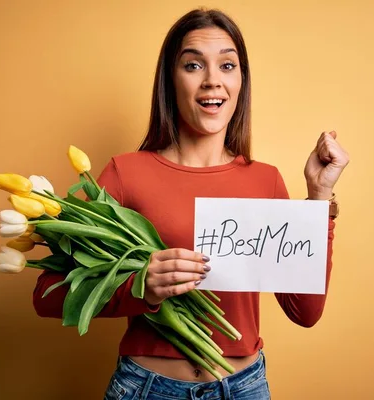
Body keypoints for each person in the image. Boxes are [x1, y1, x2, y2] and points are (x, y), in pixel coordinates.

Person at [33, 7, 349, 400]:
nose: (212, 80)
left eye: (227, 65)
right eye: (194, 65)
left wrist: (319, 201)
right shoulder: (126, 174)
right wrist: (139, 287)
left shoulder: (264, 180)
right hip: (147, 389)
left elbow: (305, 313)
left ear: (241, 82)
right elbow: (46, 294)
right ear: (171, 79)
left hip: (244, 388)